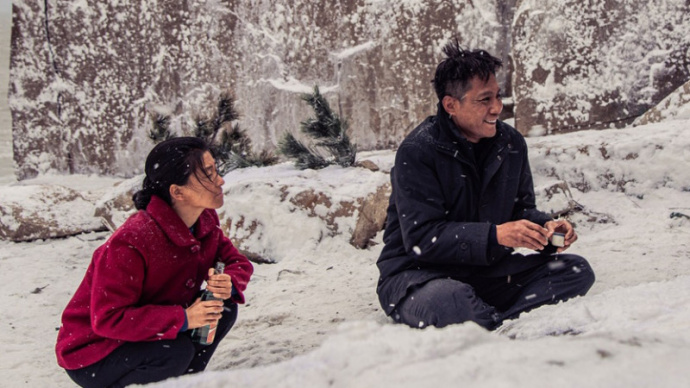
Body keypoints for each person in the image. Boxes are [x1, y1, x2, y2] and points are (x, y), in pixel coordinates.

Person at [376, 40, 595, 330]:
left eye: (498, 96)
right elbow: (421, 239)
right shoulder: (418, 151)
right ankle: (495, 321)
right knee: (450, 300)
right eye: (484, 100)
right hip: (418, 277)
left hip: (487, 273)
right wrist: (495, 236)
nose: (496, 108)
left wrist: (547, 228)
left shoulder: (511, 143)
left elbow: (521, 210)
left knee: (576, 271)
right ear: (451, 105)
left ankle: (487, 322)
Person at [55, 137, 254, 387]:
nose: (220, 180)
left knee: (221, 308)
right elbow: (108, 319)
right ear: (177, 192)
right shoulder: (132, 240)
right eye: (209, 174)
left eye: (216, 170)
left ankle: (183, 382)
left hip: (149, 333)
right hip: (96, 352)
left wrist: (229, 282)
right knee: (174, 351)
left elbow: (237, 262)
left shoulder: (204, 221)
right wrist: (183, 318)